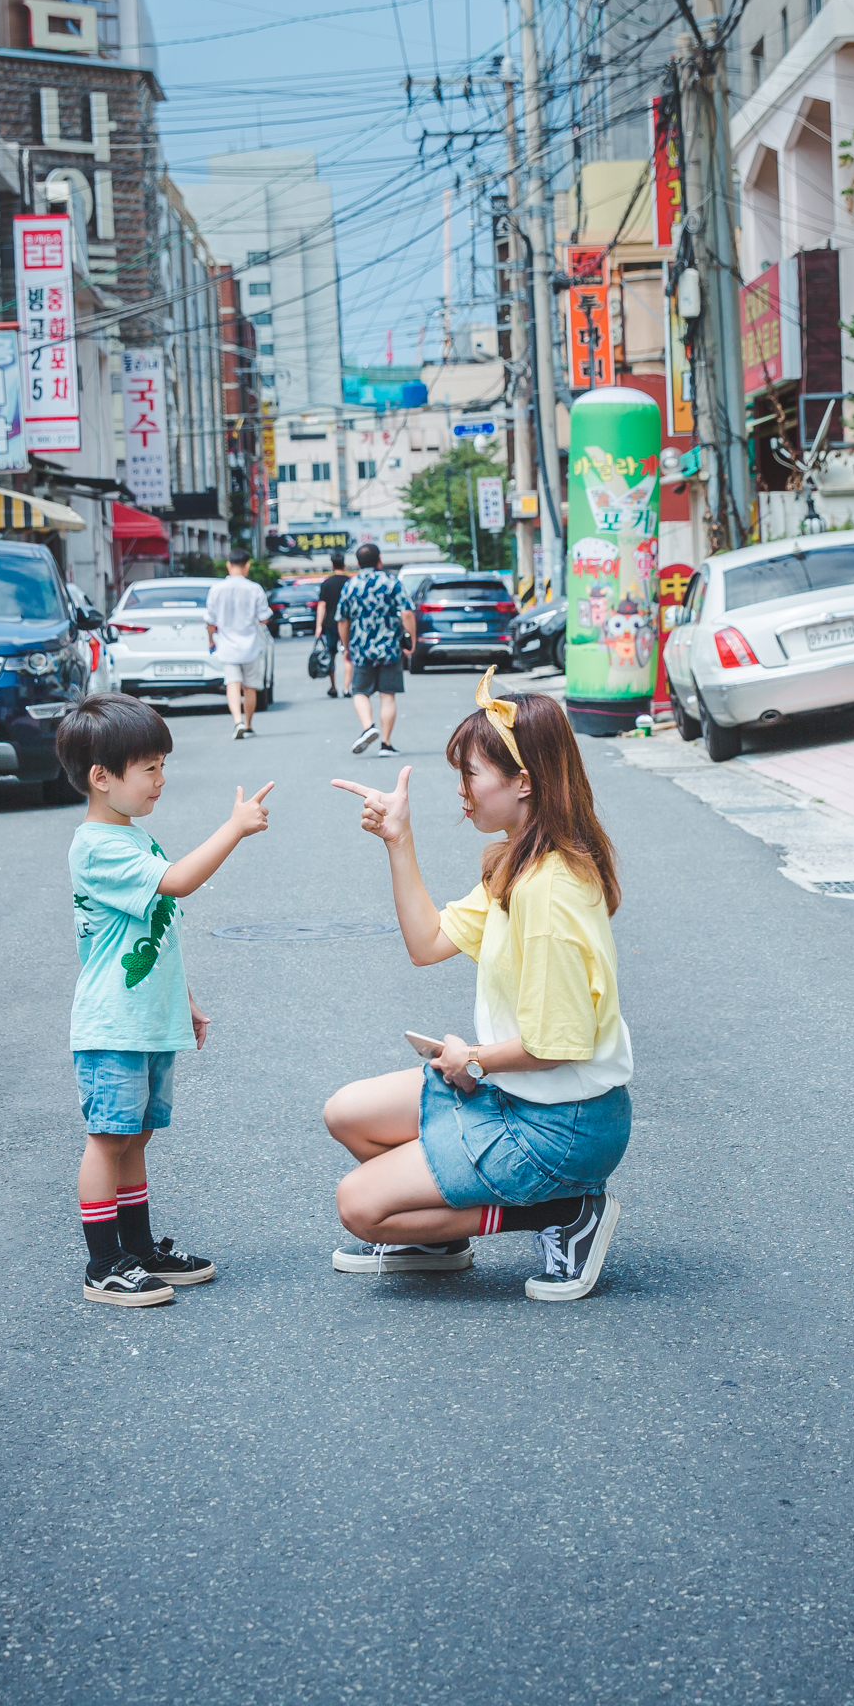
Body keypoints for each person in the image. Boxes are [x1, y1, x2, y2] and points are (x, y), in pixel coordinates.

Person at [321, 676, 631, 1301]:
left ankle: (562, 1214)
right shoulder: (517, 861)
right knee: (347, 1114)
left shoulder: (549, 889)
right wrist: (398, 839)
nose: (461, 790)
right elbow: (426, 943)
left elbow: (559, 1042)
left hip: (562, 1124)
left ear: (525, 782)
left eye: (472, 774)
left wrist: (474, 1060)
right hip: (520, 1093)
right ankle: (436, 1237)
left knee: (359, 1206)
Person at [57, 693, 276, 1307]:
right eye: (149, 768)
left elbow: (153, 931)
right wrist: (233, 829)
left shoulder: (134, 838)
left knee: (136, 1138)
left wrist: (184, 999)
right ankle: (104, 1265)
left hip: (147, 1021)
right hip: (113, 1026)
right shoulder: (99, 847)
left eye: (161, 766)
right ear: (102, 778)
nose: (161, 780)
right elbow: (178, 882)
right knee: (109, 1139)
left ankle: (140, 1249)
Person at [336, 542, 415, 755]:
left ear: (358, 563)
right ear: (379, 560)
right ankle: (386, 744)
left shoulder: (350, 585)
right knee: (387, 695)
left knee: (360, 691)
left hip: (361, 648)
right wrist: (411, 641)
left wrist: (346, 646)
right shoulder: (391, 582)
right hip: (390, 648)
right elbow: (407, 613)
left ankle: (368, 727)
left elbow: (342, 620)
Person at [206, 551, 273, 738]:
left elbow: (209, 621)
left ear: (228, 565)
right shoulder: (255, 589)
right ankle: (249, 724)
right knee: (249, 687)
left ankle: (237, 721)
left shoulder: (216, 589)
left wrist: (211, 640)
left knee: (232, 685)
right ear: (247, 565)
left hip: (227, 646)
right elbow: (264, 618)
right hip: (250, 645)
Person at [312, 551, 351, 698]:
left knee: (331, 656)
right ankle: (347, 688)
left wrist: (319, 626)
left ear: (332, 565)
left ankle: (333, 686)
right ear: (345, 565)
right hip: (347, 623)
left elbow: (322, 606)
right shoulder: (349, 582)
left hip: (330, 624)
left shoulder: (327, 584)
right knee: (347, 655)